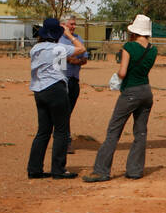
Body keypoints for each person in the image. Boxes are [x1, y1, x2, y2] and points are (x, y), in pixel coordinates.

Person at [83, 14, 157, 182]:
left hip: (130, 91)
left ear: (134, 31)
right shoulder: (153, 49)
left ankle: (101, 170)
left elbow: (123, 72)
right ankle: (135, 170)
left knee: (114, 131)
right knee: (140, 132)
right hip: (146, 91)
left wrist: (116, 78)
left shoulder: (129, 47)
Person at [28, 16, 84, 180]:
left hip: (39, 90)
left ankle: (34, 168)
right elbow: (81, 48)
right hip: (56, 89)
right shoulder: (58, 48)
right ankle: (58, 169)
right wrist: (70, 36)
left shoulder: (35, 49)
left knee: (43, 131)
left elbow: (59, 65)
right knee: (61, 130)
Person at [58, 14, 89, 150]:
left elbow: (84, 58)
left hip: (74, 81)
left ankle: (62, 138)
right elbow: (61, 59)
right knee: (63, 112)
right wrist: (72, 58)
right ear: (63, 25)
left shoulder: (78, 39)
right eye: (71, 24)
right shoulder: (57, 40)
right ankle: (65, 141)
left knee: (67, 112)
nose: (74, 27)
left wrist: (73, 58)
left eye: (74, 24)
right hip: (61, 81)